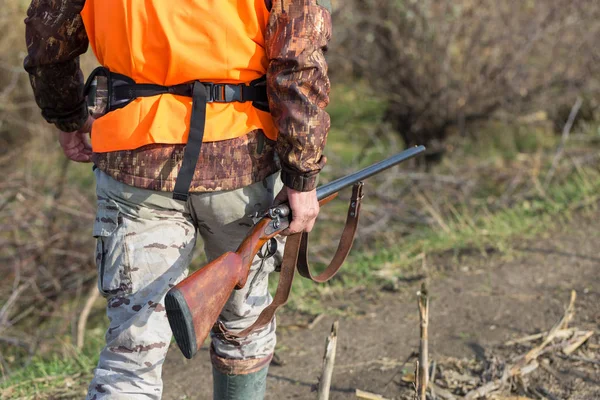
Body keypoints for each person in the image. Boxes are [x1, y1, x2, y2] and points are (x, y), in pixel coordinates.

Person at [24, 0, 332, 398]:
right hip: (240, 165)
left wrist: (67, 115)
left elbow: (48, 39)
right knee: (244, 329)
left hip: (135, 166)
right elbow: (299, 59)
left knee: (131, 355)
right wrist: (302, 172)